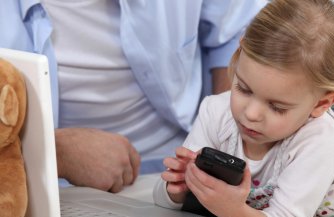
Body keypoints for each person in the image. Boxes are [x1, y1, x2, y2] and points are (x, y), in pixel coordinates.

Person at [153, 0, 334, 217]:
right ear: (238, 55)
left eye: (276, 107)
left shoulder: (319, 142)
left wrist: (233, 211)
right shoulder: (216, 111)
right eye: (243, 88)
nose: (250, 114)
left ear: (320, 105)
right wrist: (177, 189)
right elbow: (161, 196)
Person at [0, 0, 267, 192]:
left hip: (185, 167)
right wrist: (53, 151)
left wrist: (227, 149)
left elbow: (237, 32)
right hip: (34, 183)